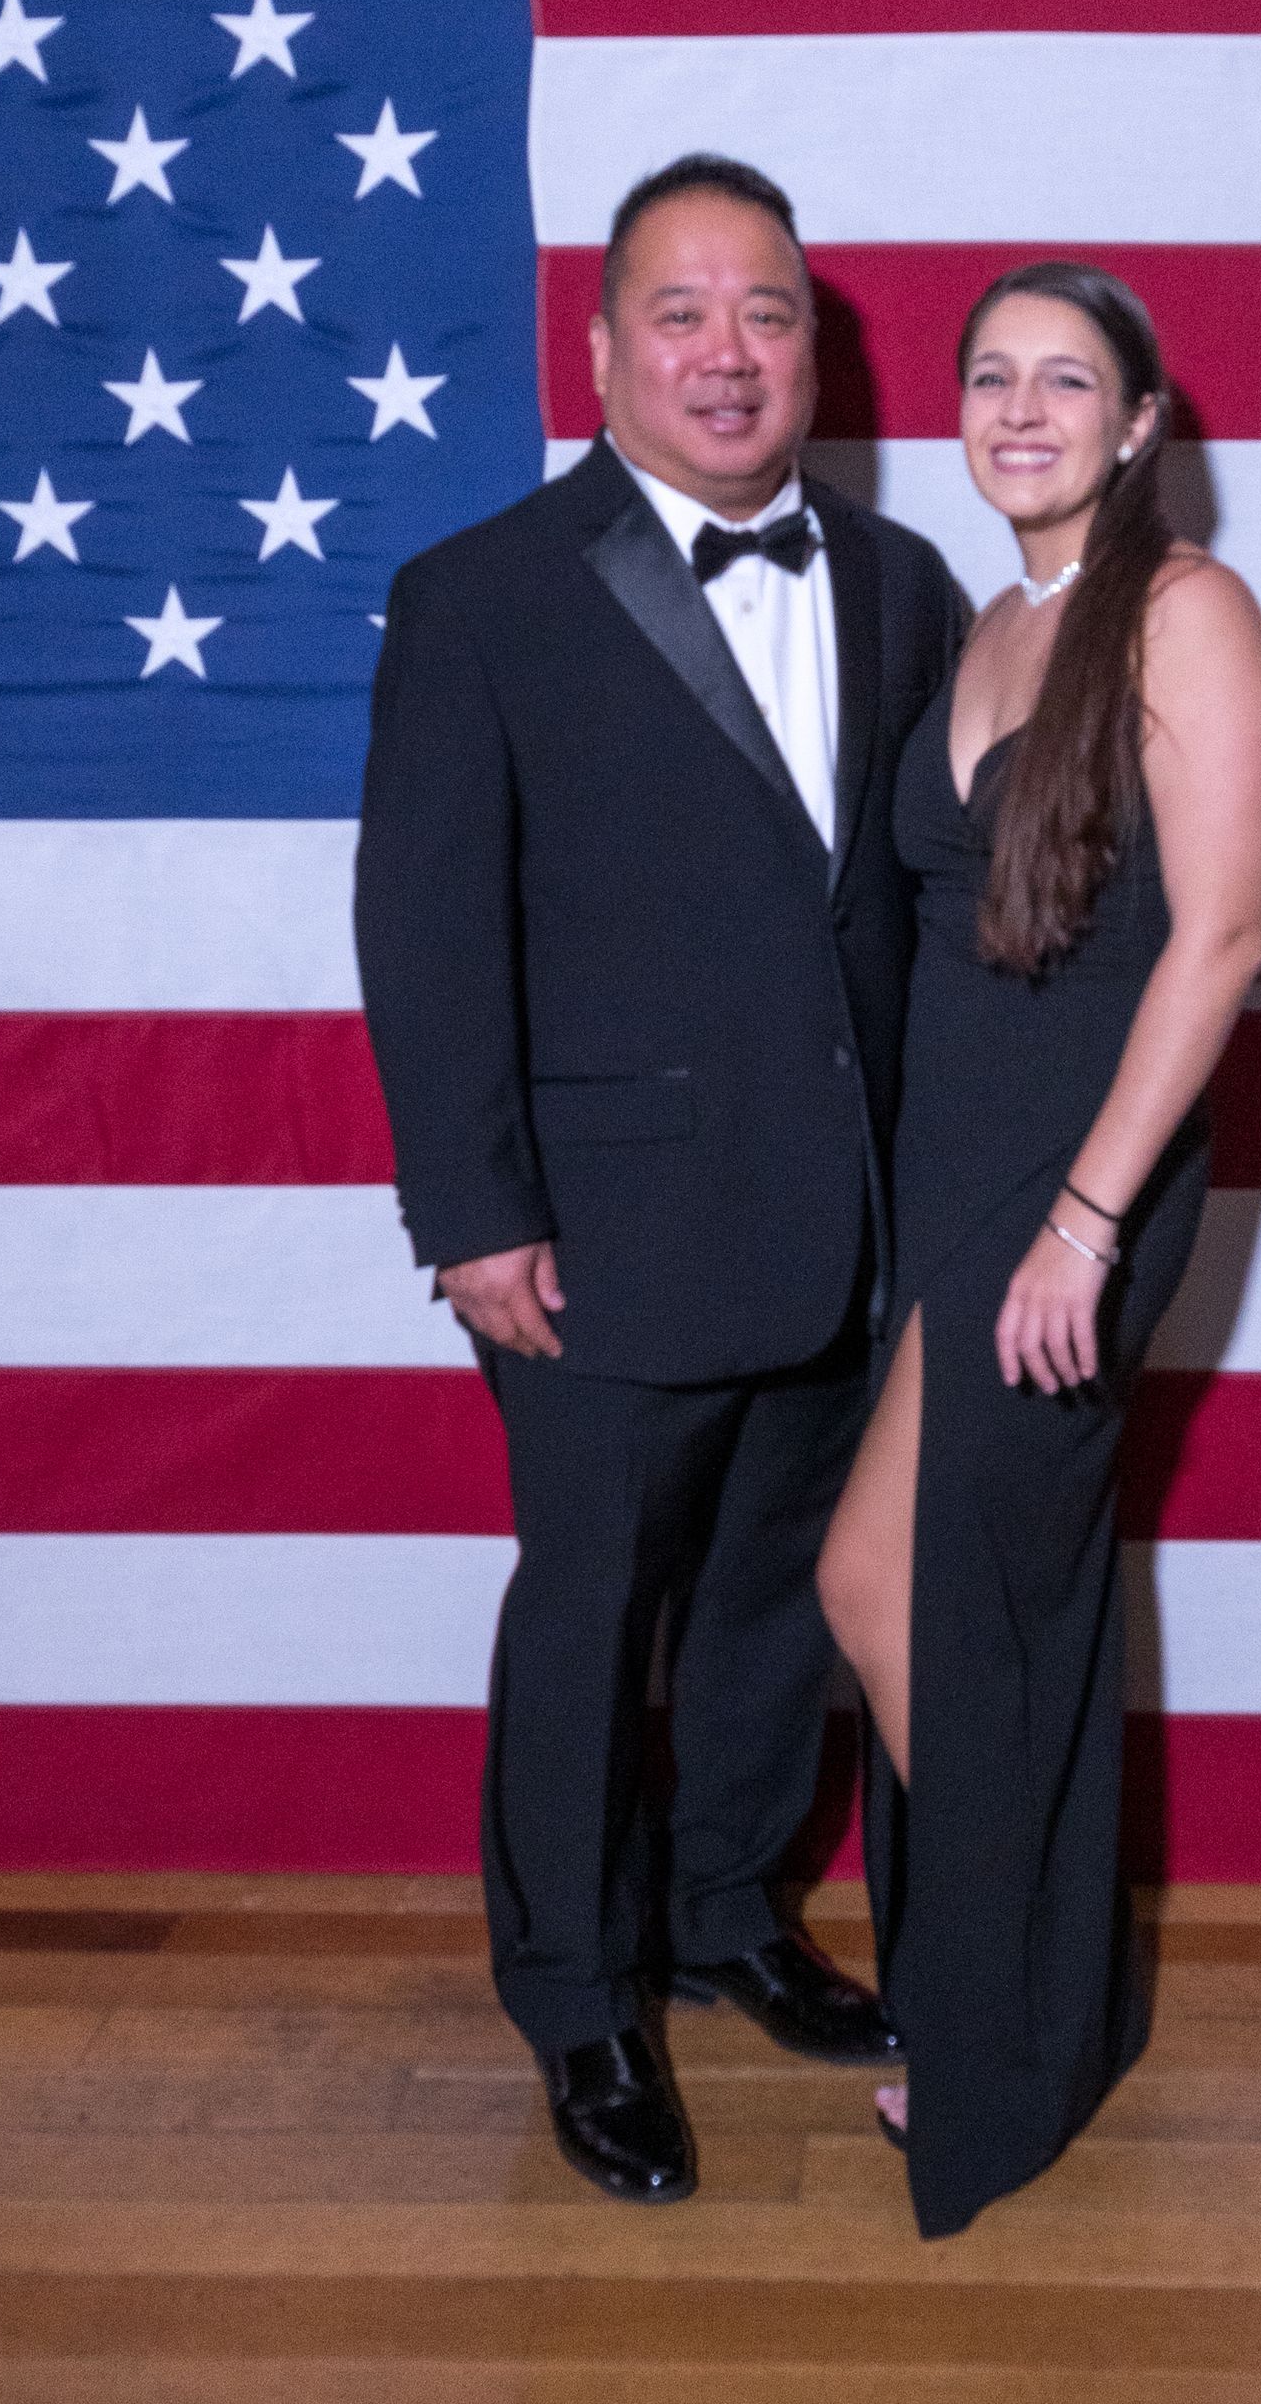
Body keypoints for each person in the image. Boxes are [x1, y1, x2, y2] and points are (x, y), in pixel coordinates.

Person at [354, 154, 964, 2203]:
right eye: (682, 313)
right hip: (595, 1237)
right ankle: (580, 1997)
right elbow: (425, 928)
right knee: (596, 1612)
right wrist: (473, 1212)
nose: (728, 352)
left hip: (847, 1212)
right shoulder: (482, 593)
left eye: (767, 313)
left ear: (815, 352)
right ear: (603, 347)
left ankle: (721, 1913)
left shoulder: (899, 584)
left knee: (781, 1600)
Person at [816, 262, 1261, 2238]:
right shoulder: (991, 621)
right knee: (944, 1595)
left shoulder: (1187, 611)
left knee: (900, 1588)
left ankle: (1011, 2007)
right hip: (955, 1171)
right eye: (992, 376)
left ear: (1141, 421)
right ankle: (1031, 1995)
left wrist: (1087, 1225)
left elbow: (1225, 937)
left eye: (1068, 379)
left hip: (1077, 1183)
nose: (1022, 409)